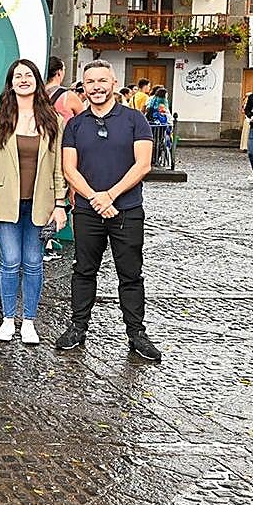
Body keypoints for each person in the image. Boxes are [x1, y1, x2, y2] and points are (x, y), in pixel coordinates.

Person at [57, 60, 161, 362]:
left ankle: (136, 334)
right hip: (89, 212)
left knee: (130, 274)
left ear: (114, 83)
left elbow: (142, 164)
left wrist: (111, 196)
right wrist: (95, 198)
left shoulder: (134, 120)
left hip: (126, 209)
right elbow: (68, 168)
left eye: (102, 81)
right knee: (83, 270)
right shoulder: (76, 125)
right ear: (84, 87)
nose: (97, 87)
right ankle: (77, 328)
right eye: (90, 82)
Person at [0, 59, 68, 346]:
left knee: (33, 263)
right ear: (11, 83)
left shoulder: (54, 120)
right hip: (5, 203)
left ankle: (29, 321)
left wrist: (59, 204)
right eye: (17, 76)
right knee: (10, 262)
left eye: (28, 75)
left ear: (37, 81)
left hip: (40, 204)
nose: (23, 80)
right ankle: (7, 319)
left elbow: (58, 167)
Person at [45, 56, 85, 122]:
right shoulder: (68, 96)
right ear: (59, 72)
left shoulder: (36, 93)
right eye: (64, 69)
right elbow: (84, 121)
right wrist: (80, 99)